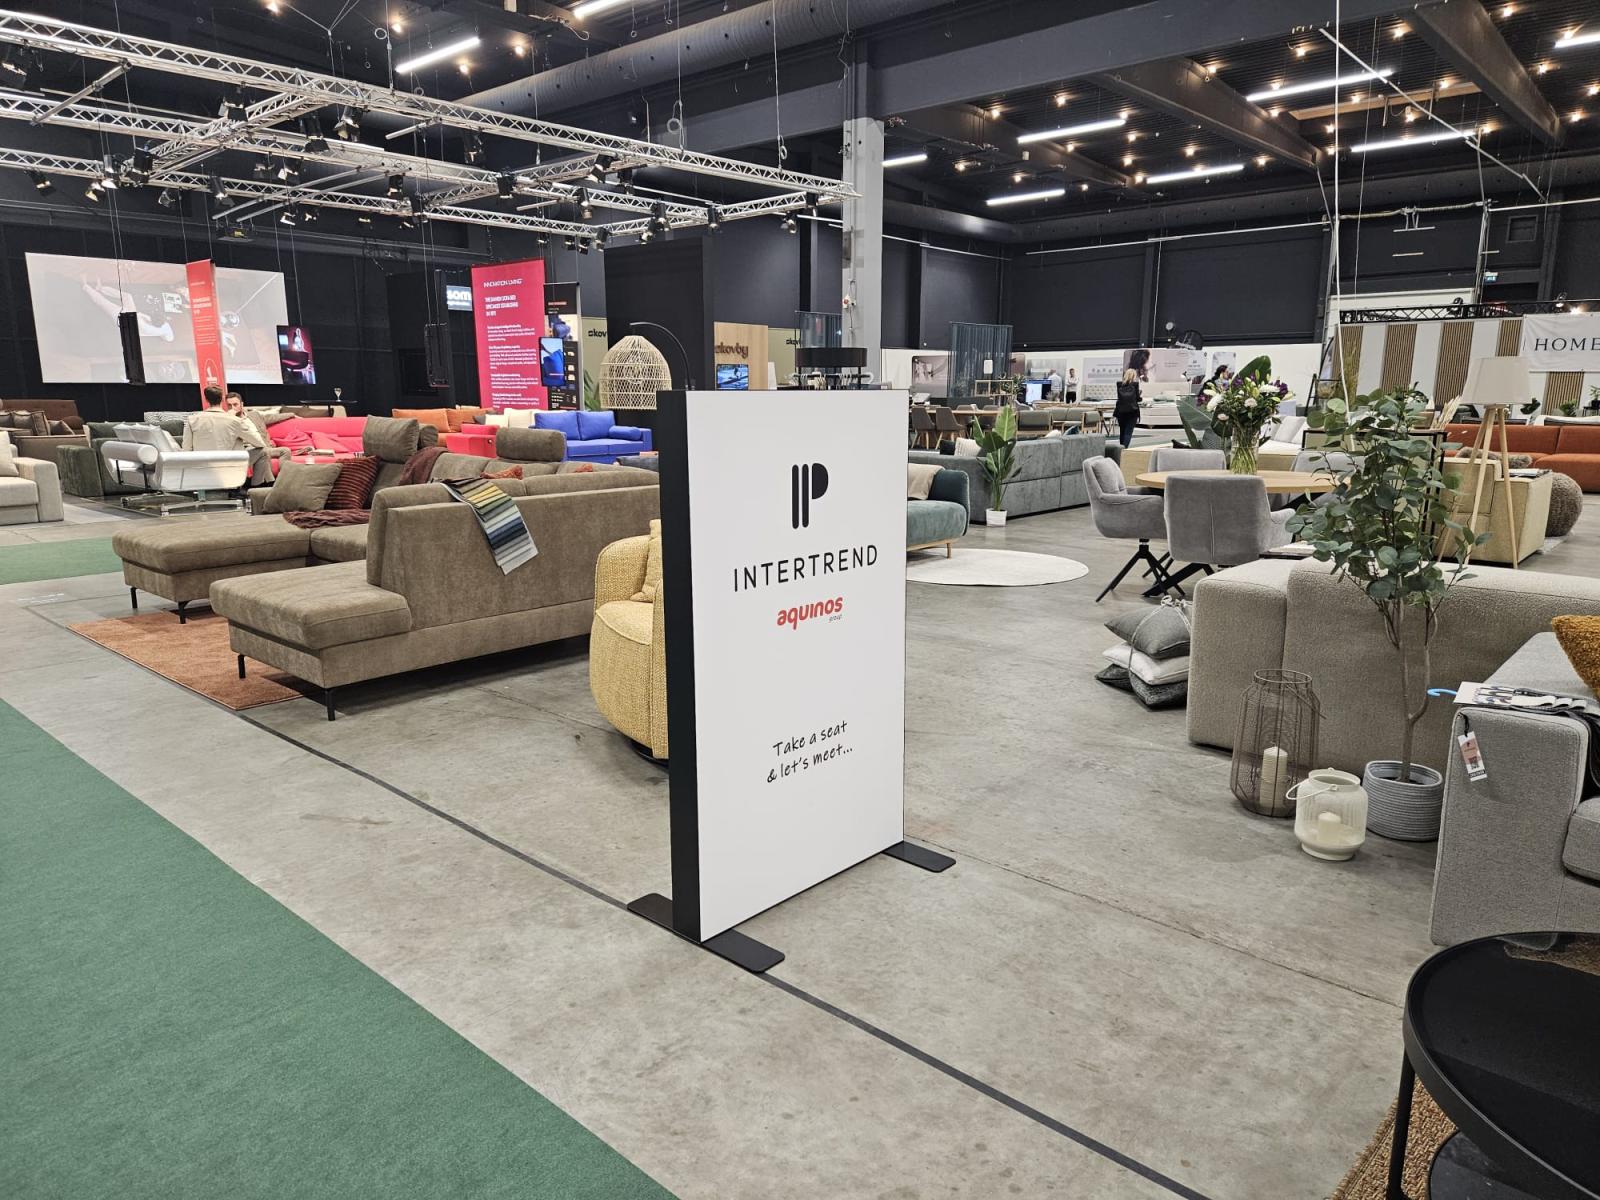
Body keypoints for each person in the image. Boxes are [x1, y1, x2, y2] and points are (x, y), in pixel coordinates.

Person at [184, 388, 273, 487]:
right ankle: (255, 488)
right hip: (229, 467)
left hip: (203, 468)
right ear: (222, 400)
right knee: (263, 452)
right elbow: (259, 443)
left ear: (206, 399)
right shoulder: (234, 420)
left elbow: (186, 449)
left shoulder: (192, 420)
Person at [1115, 357, 1145, 449]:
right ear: (1133, 376)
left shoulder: (1119, 384)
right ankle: (1124, 449)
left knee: (1122, 431)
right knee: (1128, 432)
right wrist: (1140, 395)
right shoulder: (1135, 385)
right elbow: (1138, 399)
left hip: (1120, 411)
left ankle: (1120, 450)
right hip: (1132, 411)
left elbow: (1120, 397)